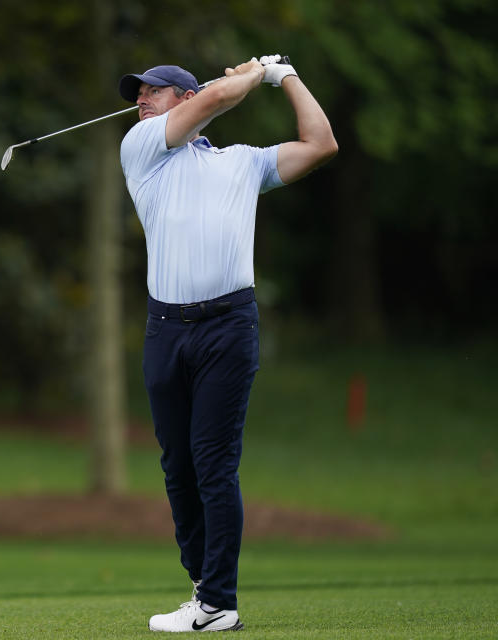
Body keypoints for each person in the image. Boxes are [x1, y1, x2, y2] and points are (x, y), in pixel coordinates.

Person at [118, 55, 338, 632]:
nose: (140, 101)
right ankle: (202, 587)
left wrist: (285, 74)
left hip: (228, 327)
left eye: (154, 92)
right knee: (178, 469)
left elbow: (320, 143)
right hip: (165, 330)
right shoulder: (141, 148)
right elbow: (214, 102)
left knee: (215, 465)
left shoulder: (244, 163)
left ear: (184, 95)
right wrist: (250, 77)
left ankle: (218, 602)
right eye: (137, 94)